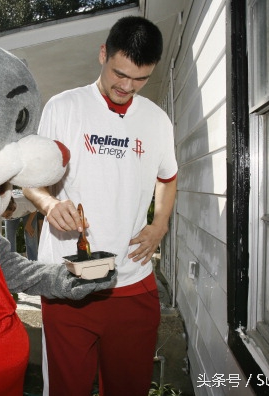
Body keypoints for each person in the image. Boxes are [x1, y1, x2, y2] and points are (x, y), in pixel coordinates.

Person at [23, 15, 178, 396]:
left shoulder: (157, 122)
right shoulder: (64, 108)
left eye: (139, 79)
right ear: (102, 53)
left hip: (133, 284)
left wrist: (159, 225)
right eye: (118, 73)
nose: (126, 86)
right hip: (69, 285)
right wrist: (47, 203)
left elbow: (168, 177)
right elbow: (32, 182)